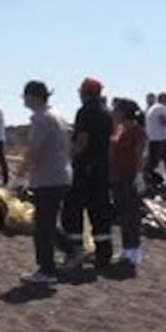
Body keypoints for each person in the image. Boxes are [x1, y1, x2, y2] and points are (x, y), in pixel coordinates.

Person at [18, 81, 72, 285]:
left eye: (25, 95)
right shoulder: (56, 115)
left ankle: (46, 270)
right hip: (60, 176)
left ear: (35, 97)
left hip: (48, 178)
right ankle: (73, 251)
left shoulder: (42, 119)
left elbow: (34, 150)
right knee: (47, 222)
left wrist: (19, 177)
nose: (23, 99)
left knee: (42, 227)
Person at [58, 77, 114, 271]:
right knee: (100, 211)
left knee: (72, 210)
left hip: (85, 168)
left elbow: (82, 141)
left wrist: (68, 157)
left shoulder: (85, 112)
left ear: (84, 93)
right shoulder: (107, 113)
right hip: (103, 168)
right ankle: (104, 254)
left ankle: (75, 251)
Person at [110, 98, 148, 270]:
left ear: (124, 112)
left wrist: (139, 176)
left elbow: (140, 154)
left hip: (129, 176)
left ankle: (135, 249)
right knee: (123, 214)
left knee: (131, 214)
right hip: (117, 177)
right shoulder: (119, 129)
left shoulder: (137, 130)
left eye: (116, 110)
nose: (113, 112)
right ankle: (126, 248)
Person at [145, 92, 166, 183]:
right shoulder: (161, 107)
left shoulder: (154, 108)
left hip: (156, 138)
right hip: (159, 139)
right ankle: (146, 179)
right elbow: (163, 121)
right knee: (154, 162)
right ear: (163, 99)